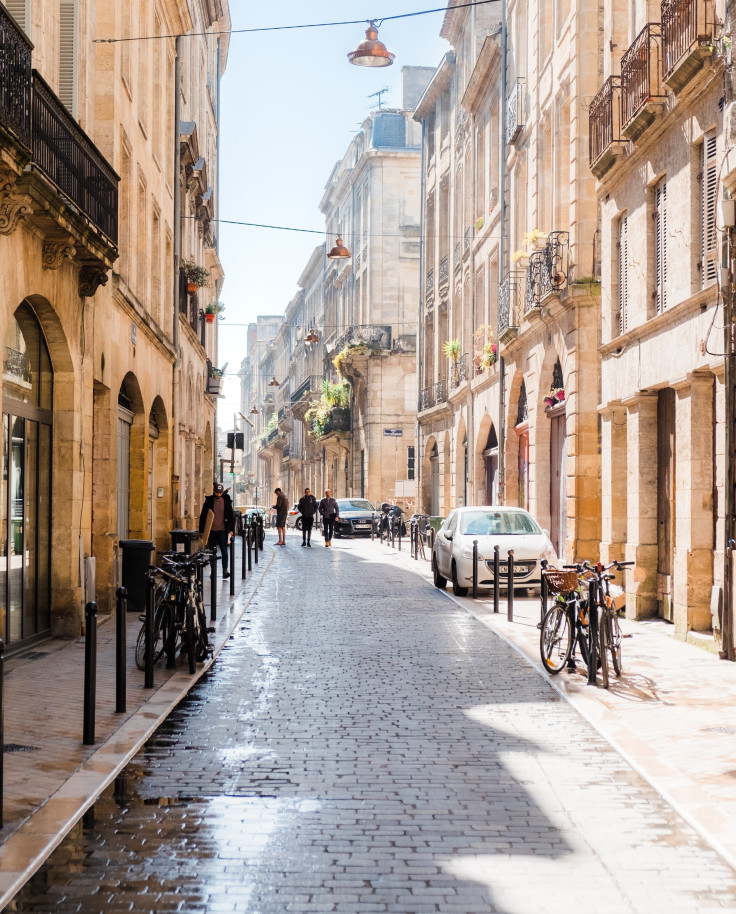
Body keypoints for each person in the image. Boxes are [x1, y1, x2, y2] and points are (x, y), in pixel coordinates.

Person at [198, 482, 234, 578]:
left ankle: (225, 570)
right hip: (212, 530)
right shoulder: (209, 501)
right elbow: (203, 516)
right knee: (212, 551)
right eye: (217, 492)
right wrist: (202, 531)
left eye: (220, 492)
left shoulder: (226, 501)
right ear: (214, 491)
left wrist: (231, 530)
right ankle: (213, 571)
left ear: (222, 492)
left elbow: (231, 516)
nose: (218, 494)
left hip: (223, 530)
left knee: (224, 550)